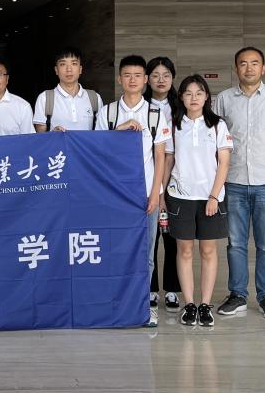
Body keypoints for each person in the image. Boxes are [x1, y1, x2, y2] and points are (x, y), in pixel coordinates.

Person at [211, 47, 265, 323]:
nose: (249, 68)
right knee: (235, 243)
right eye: (243, 63)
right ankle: (237, 294)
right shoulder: (223, 99)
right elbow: (213, 138)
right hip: (233, 182)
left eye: (254, 63)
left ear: (263, 68)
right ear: (235, 68)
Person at [98, 55, 170, 328]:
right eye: (127, 75)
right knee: (115, 250)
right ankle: (115, 304)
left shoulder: (155, 114)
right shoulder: (107, 112)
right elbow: (99, 150)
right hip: (115, 195)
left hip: (145, 195)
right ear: (119, 79)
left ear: (145, 80)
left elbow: (160, 157)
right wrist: (120, 130)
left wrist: (155, 194)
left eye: (138, 75)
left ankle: (141, 307)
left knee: (145, 254)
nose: (132, 80)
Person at [160, 74, 233, 329]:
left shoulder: (217, 125)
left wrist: (214, 196)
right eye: (188, 93)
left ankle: (205, 305)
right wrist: (161, 193)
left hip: (210, 198)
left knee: (208, 251)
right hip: (180, 197)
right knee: (185, 251)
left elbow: (224, 163)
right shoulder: (173, 124)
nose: (194, 98)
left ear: (206, 97)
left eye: (199, 93)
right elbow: (168, 160)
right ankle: (189, 304)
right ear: (181, 97)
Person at [144, 56, 180, 311]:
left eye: (166, 75)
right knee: (150, 238)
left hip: (179, 180)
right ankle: (151, 288)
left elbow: (171, 153)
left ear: (172, 78)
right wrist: (158, 189)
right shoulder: (141, 106)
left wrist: (165, 189)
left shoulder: (181, 107)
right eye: (155, 75)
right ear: (147, 79)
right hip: (151, 180)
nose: (161, 80)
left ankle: (173, 289)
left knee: (173, 238)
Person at [32, 47, 103, 132]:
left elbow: (101, 134)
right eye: (63, 64)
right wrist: (53, 134)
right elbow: (40, 136)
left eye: (74, 63)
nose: (69, 69)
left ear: (80, 69)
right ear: (56, 70)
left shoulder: (94, 98)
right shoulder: (45, 98)